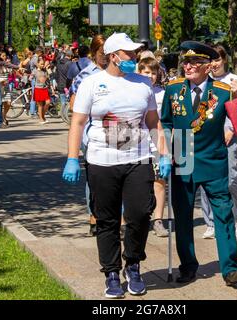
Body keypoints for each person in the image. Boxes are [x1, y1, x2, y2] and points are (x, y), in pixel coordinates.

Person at [62, 32, 170, 298]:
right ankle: (111, 272)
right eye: (129, 54)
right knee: (107, 219)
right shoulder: (92, 84)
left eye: (135, 53)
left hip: (137, 159)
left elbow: (154, 122)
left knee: (139, 215)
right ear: (114, 57)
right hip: (102, 160)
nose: (135, 57)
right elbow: (77, 122)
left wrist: (164, 154)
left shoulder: (143, 84)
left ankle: (133, 265)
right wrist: (72, 158)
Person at [160, 40, 237, 286]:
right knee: (184, 216)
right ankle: (187, 266)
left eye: (194, 62)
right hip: (182, 154)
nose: (188, 66)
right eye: (185, 62)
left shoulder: (222, 90)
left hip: (214, 158)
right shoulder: (174, 89)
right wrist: (167, 149)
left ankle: (229, 268)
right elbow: (165, 121)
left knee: (223, 213)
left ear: (208, 66)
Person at [200, 44, 237, 239]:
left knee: (230, 179)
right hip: (206, 138)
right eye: (210, 60)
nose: (214, 64)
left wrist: (232, 129)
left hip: (228, 136)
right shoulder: (203, 82)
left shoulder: (234, 81)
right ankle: (210, 222)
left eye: (217, 59)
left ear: (225, 60)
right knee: (205, 179)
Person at [69, 34, 107, 237]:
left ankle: (115, 218)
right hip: (90, 134)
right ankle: (94, 216)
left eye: (109, 54)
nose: (106, 58)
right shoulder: (85, 76)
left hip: (116, 134)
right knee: (94, 177)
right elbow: (74, 105)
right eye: (102, 54)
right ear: (93, 53)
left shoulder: (118, 73)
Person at [138, 57, 169, 237]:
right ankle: (131, 219)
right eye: (146, 72)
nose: (150, 76)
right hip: (137, 140)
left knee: (160, 180)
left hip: (158, 139)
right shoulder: (133, 91)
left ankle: (158, 220)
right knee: (137, 181)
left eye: (153, 72)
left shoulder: (162, 94)